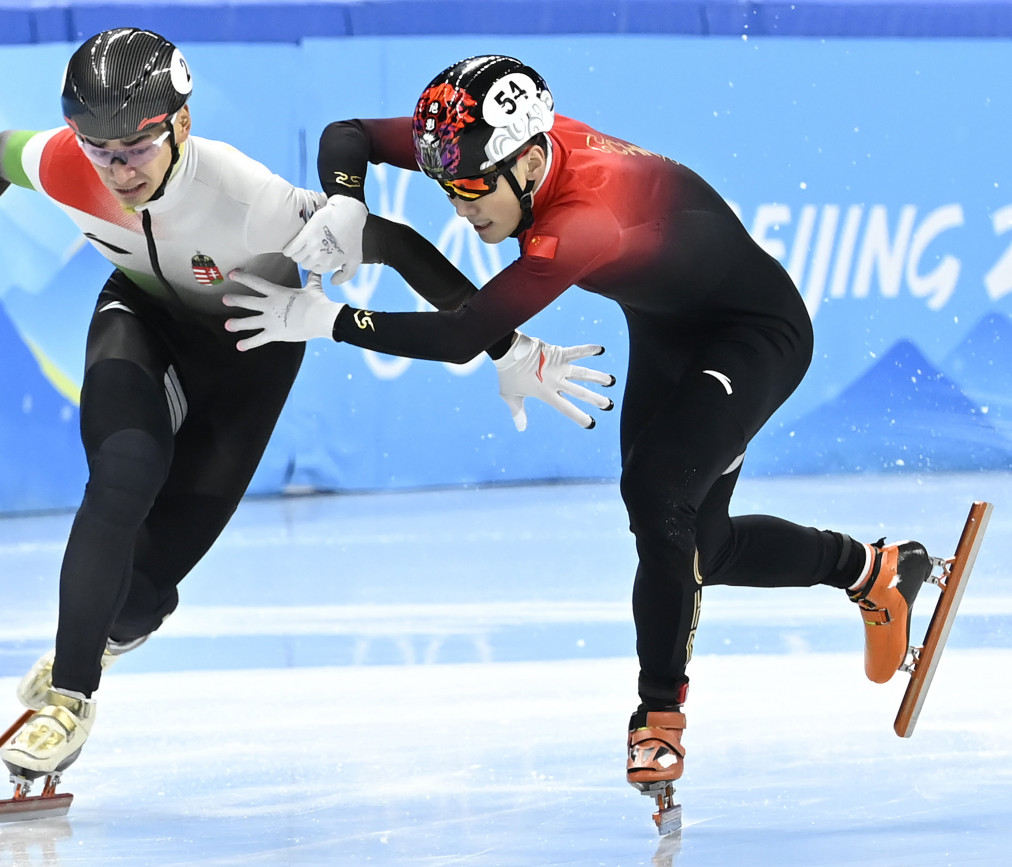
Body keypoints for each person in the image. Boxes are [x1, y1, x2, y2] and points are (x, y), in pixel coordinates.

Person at [0, 33, 614, 789]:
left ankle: (105, 636)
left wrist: (505, 350)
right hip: (138, 319)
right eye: (98, 148)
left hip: (251, 351)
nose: (117, 170)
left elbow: (397, 244)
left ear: (179, 124)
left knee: (139, 602)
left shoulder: (248, 198)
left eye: (135, 148)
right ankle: (71, 698)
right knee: (123, 471)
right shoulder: (70, 164)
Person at [223, 54, 936, 803]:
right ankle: (874, 571)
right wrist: (345, 198)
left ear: (530, 163)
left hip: (754, 335)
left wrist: (329, 320)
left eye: (471, 188)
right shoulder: (485, 141)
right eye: (446, 187)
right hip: (668, 328)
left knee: (659, 495)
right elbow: (350, 134)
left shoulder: (583, 219)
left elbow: (467, 332)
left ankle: (659, 713)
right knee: (695, 543)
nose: (460, 208)